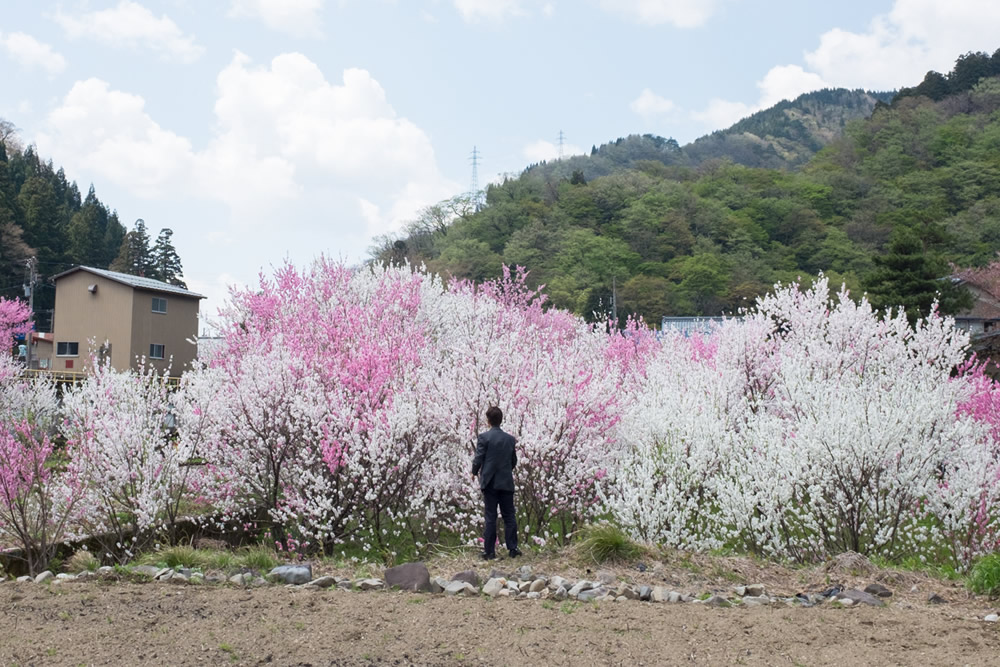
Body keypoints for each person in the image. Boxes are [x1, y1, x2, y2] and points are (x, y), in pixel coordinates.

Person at [471, 405, 521, 560]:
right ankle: (513, 548)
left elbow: (479, 458)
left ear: (488, 421)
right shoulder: (510, 439)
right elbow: (514, 461)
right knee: (509, 516)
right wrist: (505, 470)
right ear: (501, 420)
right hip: (506, 482)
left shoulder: (484, 438)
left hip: (490, 482)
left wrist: (474, 472)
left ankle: (489, 551)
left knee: (491, 517)